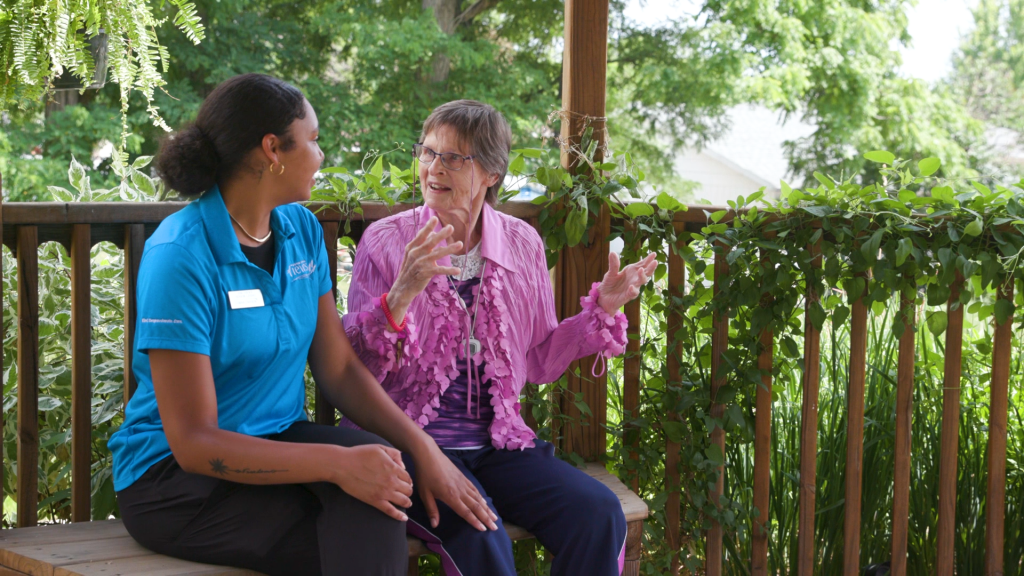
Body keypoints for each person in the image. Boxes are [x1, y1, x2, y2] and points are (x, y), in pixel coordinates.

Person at [108, 75, 497, 576]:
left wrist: (422, 450)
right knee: (363, 519)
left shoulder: (301, 230)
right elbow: (195, 443)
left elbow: (338, 370)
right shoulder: (180, 255)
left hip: (279, 440)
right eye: (312, 139)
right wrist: (337, 464)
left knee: (384, 476)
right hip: (176, 481)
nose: (320, 154)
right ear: (272, 150)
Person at [342, 99, 657, 576]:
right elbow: (356, 370)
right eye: (428, 152)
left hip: (498, 446)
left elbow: (540, 361)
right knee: (481, 535)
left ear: (491, 172)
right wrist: (402, 292)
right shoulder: (386, 242)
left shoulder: (522, 243)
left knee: (597, 513)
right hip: (406, 446)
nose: (434, 168)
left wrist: (603, 310)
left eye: (454, 157)